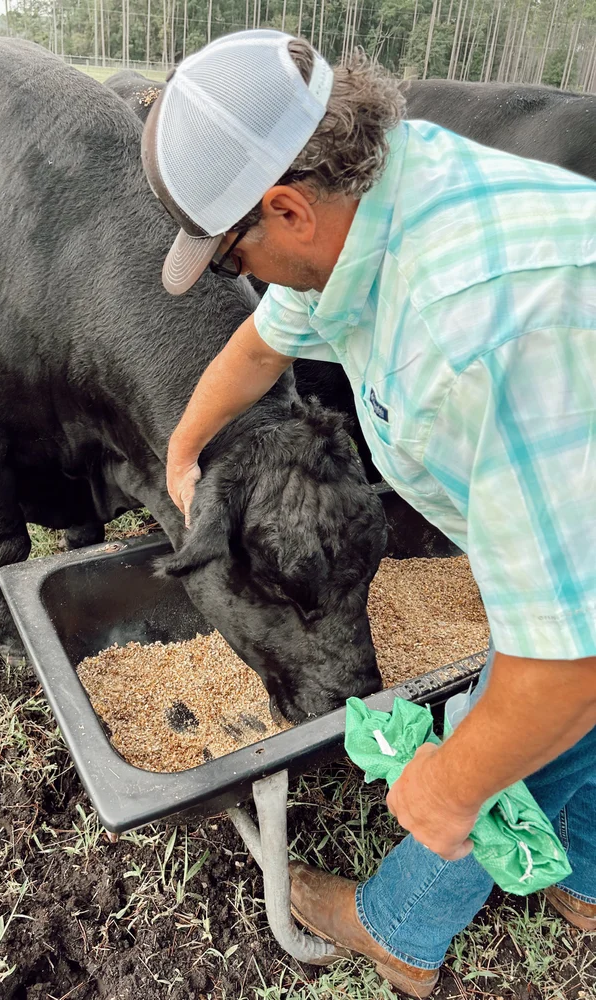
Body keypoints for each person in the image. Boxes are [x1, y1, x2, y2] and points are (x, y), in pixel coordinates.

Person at [141, 28, 596, 997]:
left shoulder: (467, 331)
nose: (243, 280)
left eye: (230, 259)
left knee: (495, 729)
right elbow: (265, 347)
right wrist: (182, 451)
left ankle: (398, 928)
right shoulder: (384, 192)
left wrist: (444, 785)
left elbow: (565, 667)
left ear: (287, 208)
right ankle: (588, 880)